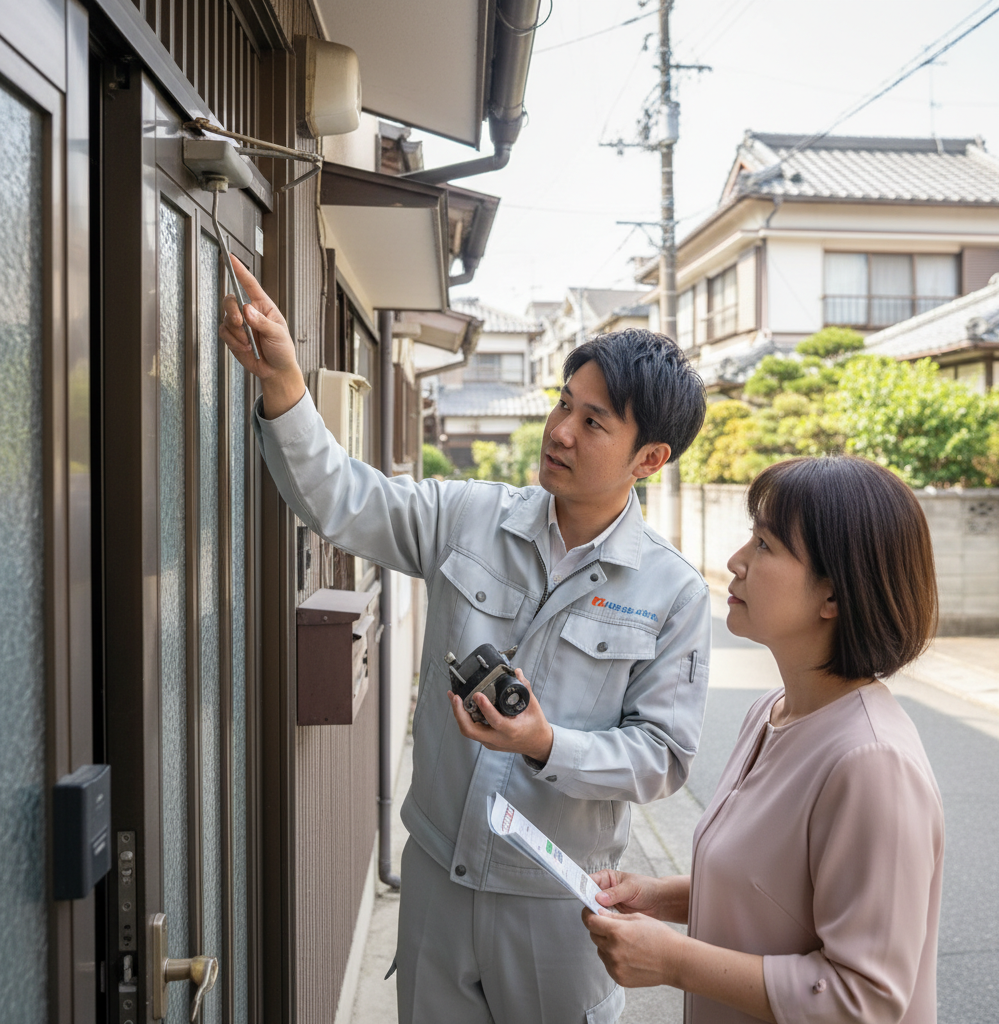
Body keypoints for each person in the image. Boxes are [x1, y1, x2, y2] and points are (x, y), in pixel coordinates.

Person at [219, 256, 712, 1024]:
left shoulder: (672, 591)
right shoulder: (470, 515)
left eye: (593, 422)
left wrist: (549, 744)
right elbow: (344, 500)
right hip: (437, 878)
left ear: (649, 459)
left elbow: (664, 758)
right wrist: (283, 383)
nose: (559, 432)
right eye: (563, 404)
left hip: (556, 901)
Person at [583, 455, 945, 1024]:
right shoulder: (770, 713)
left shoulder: (872, 763)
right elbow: (773, 892)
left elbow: (865, 998)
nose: (735, 561)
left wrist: (675, 961)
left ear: (834, 596)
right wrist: (661, 896)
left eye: (765, 546)